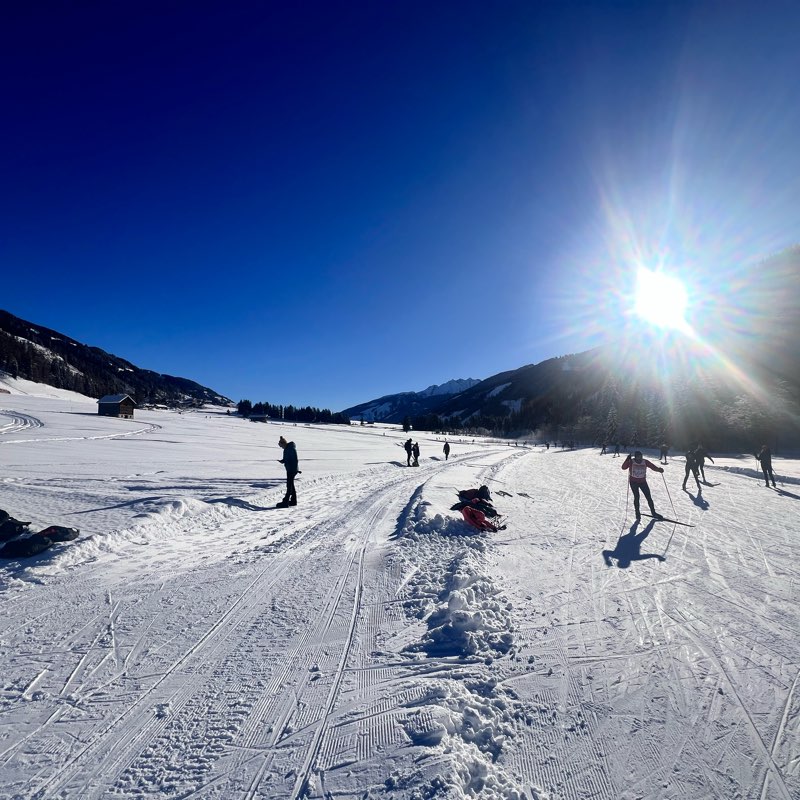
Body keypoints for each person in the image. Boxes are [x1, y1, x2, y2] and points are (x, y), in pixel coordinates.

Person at [622, 450, 664, 521]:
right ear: (635, 457)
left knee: (649, 497)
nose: (640, 458)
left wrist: (659, 469)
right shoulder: (631, 462)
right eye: (638, 457)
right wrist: (627, 459)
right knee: (637, 497)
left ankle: (653, 513)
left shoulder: (645, 461)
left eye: (641, 456)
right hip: (633, 482)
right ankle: (637, 513)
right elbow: (623, 467)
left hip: (642, 482)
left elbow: (653, 467)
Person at [276, 435, 299, 507]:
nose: (281, 447)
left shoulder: (291, 449)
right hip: (290, 469)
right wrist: (283, 461)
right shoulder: (287, 449)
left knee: (289, 485)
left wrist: (293, 469)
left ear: (283, 443)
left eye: (281, 446)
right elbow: (287, 459)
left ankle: (286, 502)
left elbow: (295, 460)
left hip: (292, 470)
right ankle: (293, 501)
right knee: (291, 485)